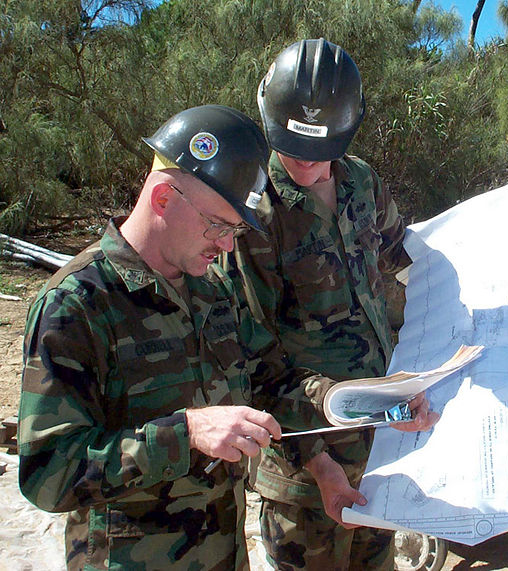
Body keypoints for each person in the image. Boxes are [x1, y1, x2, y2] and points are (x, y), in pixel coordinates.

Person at [17, 104, 334, 571]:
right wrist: (186, 433)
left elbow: (274, 383)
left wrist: (367, 403)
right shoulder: (79, 303)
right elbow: (47, 472)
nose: (227, 245)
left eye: (236, 230)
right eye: (219, 225)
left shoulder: (214, 293)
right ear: (163, 198)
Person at [228, 39, 437, 570]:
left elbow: (404, 259)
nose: (304, 161)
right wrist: (319, 466)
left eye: (320, 150)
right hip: (305, 466)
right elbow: (254, 357)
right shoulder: (253, 216)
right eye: (291, 145)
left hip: (384, 441)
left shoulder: (362, 183)